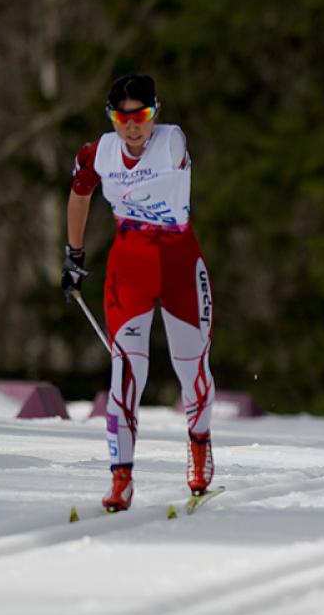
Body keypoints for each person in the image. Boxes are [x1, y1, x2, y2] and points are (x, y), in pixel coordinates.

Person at [61, 73, 214, 512]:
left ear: (155, 113)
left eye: (142, 115)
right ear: (111, 117)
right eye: (123, 117)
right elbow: (78, 196)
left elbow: (149, 168)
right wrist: (74, 256)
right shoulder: (98, 153)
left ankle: (200, 446)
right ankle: (120, 478)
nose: (133, 126)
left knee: (192, 369)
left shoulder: (171, 143)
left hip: (180, 261)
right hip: (131, 264)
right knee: (126, 371)